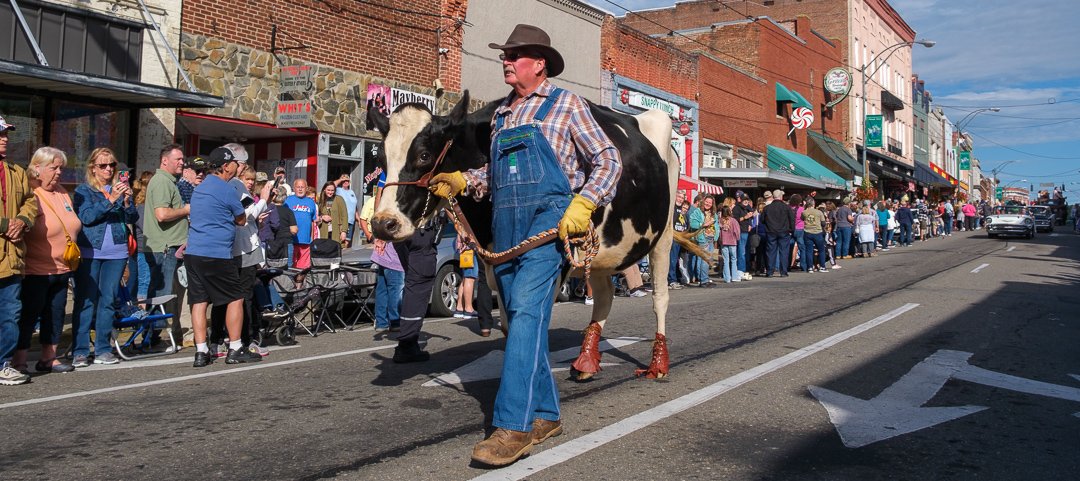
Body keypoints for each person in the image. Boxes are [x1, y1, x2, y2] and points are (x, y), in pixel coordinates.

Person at [427, 24, 621, 466]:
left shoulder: (566, 104)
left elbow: (609, 158)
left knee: (528, 316)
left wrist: (586, 202)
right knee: (518, 321)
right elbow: (496, 179)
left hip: (547, 229)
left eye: (514, 56)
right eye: (505, 55)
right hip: (505, 230)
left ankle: (512, 425)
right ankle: (547, 413)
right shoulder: (501, 116)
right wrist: (463, 180)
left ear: (540, 64)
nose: (506, 61)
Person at [186, 147, 260, 367]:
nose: (237, 167)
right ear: (226, 166)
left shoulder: (199, 188)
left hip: (194, 252)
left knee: (199, 301)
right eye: (235, 164)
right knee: (235, 297)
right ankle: (235, 347)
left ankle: (201, 352)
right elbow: (241, 219)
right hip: (216, 252)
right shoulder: (226, 189)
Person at [10, 147, 77, 374]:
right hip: (36, 268)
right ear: (37, 168)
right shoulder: (30, 192)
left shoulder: (61, 192)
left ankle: (49, 358)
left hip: (62, 266)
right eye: (54, 167)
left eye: (61, 168)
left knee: (56, 313)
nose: (59, 172)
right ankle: (18, 360)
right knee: (29, 315)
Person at [71, 148, 137, 367]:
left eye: (111, 165)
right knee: (86, 301)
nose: (108, 169)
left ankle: (103, 349)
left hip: (117, 252)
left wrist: (127, 201)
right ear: (92, 167)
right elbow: (87, 218)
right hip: (90, 251)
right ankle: (80, 351)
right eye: (103, 165)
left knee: (108, 301)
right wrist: (111, 199)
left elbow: (132, 217)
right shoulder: (84, 190)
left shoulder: (119, 188)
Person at [0, 115, 37, 385]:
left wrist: (22, 221)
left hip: (11, 256)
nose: (5, 139)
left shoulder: (16, 171)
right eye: (0, 134)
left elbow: (30, 202)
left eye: (6, 134)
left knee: (10, 313)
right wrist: (5, 224)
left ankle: (3, 362)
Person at [144, 144, 190, 346]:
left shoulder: (171, 182)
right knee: (161, 294)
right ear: (165, 160)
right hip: (164, 247)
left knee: (167, 294)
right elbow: (162, 214)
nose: (182, 162)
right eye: (178, 159)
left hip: (172, 246)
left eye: (182, 159)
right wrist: (186, 210)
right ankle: (155, 336)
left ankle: (159, 334)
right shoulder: (162, 181)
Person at [285, 179, 317, 268]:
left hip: (306, 241)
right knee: (291, 267)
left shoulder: (311, 202)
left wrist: (312, 239)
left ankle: (300, 282)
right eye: (298, 187)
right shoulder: (288, 201)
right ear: (294, 189)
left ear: (306, 188)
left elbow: (313, 222)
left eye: (302, 187)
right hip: (291, 240)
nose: (300, 189)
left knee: (303, 269)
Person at [688, 194, 718, 287]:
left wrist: (716, 236)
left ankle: (702, 279)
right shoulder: (697, 211)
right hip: (702, 237)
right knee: (704, 260)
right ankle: (703, 280)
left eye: (710, 202)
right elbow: (692, 223)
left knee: (704, 260)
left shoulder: (714, 214)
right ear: (703, 201)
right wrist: (704, 224)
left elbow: (716, 226)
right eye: (707, 201)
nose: (708, 204)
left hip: (711, 238)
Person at [763, 189, 794, 277]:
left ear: (773, 197)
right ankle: (783, 271)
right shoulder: (787, 207)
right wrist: (791, 230)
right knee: (784, 252)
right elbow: (792, 220)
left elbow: (762, 220)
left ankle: (770, 272)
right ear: (781, 197)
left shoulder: (767, 208)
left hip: (771, 231)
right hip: (784, 231)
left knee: (771, 252)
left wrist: (768, 226)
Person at [316, 181, 348, 245]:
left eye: (332, 190)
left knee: (335, 250)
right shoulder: (320, 200)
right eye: (328, 190)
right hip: (323, 231)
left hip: (336, 231)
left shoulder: (339, 199)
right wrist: (322, 217)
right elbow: (316, 215)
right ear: (324, 189)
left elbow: (344, 216)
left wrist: (344, 231)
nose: (330, 192)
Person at [454, 234, 478, 318]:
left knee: (465, 277)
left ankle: (459, 307)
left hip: (462, 243)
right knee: (470, 277)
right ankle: (468, 308)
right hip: (468, 244)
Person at [732, 192, 754, 281]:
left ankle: (743, 269)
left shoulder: (747, 207)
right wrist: (745, 217)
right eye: (744, 200)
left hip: (746, 231)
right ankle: (741, 270)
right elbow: (735, 220)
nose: (746, 201)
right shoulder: (736, 208)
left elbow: (751, 213)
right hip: (739, 231)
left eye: (747, 200)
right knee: (741, 252)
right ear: (741, 200)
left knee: (744, 251)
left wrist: (749, 222)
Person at [667, 189, 687, 289]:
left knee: (676, 260)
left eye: (682, 198)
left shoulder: (682, 209)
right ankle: (672, 280)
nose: (681, 199)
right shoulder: (672, 207)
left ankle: (675, 278)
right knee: (672, 259)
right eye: (679, 197)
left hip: (680, 237)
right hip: (673, 237)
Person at [801, 197, 827, 272]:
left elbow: (802, 219)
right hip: (817, 232)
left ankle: (810, 267)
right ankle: (822, 266)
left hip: (807, 232)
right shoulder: (819, 212)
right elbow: (823, 223)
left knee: (809, 250)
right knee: (821, 250)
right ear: (813, 204)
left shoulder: (804, 212)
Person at [334, 174, 359, 247]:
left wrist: (359, 219)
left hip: (351, 220)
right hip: (342, 220)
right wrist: (340, 179)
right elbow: (332, 185)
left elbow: (355, 207)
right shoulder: (338, 190)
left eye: (347, 180)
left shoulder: (352, 192)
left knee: (347, 242)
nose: (345, 182)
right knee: (341, 240)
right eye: (344, 180)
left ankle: (344, 257)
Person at [718, 205, 740, 283]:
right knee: (733, 259)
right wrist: (737, 238)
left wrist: (720, 241)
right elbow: (737, 232)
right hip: (733, 242)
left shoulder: (720, 221)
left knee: (726, 260)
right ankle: (734, 276)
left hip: (724, 242)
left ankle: (727, 278)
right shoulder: (733, 221)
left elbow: (719, 233)